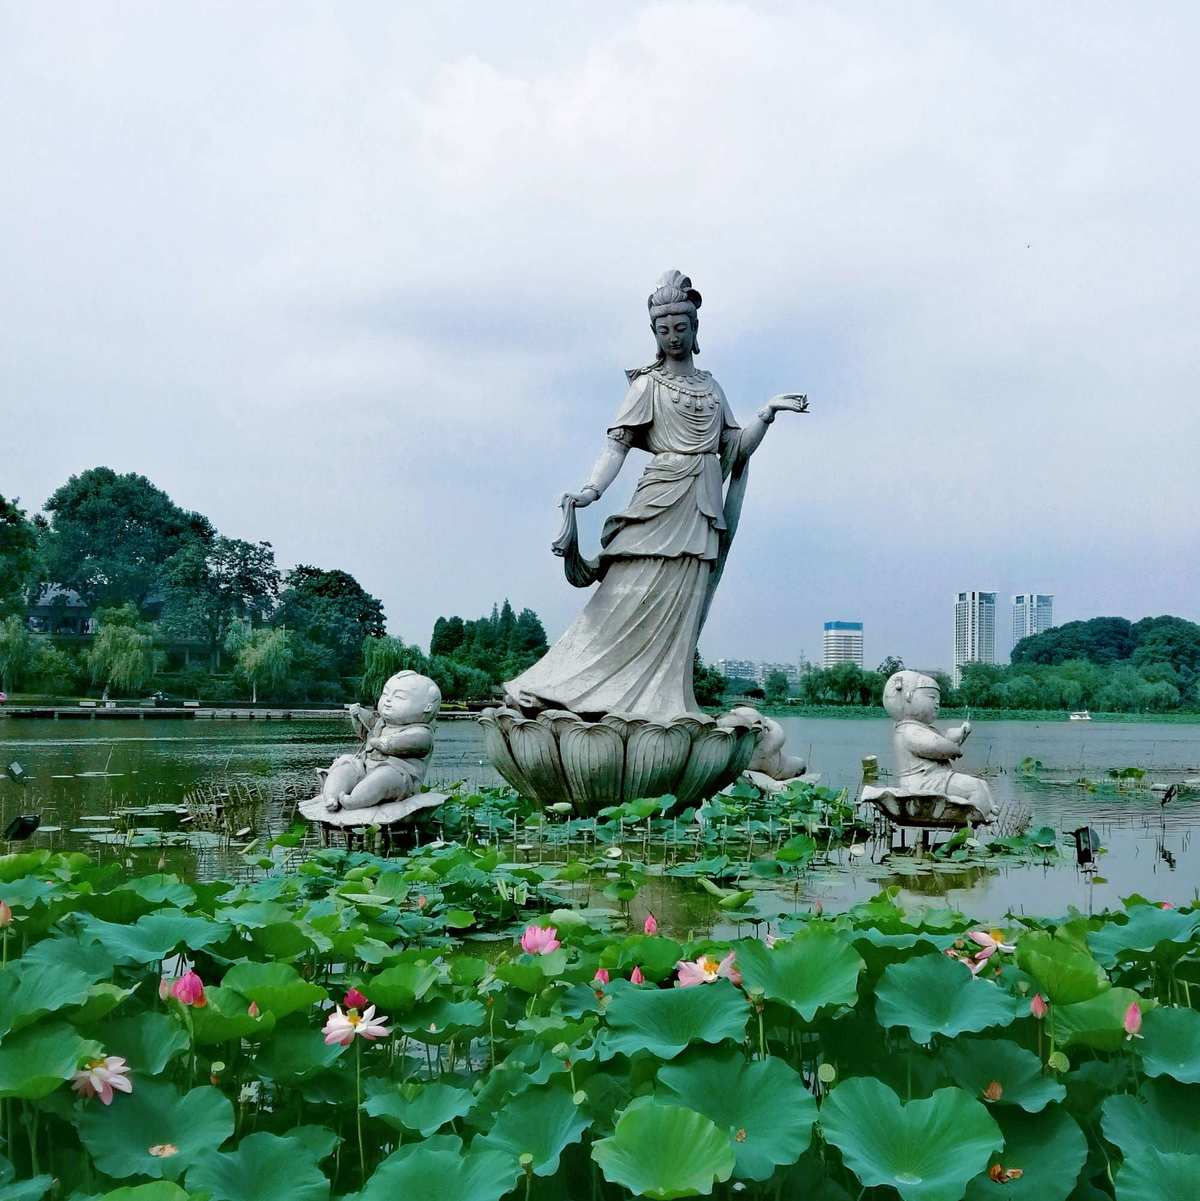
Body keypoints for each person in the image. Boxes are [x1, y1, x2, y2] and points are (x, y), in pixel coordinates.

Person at [504, 270, 807, 720]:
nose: (673, 338)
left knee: (679, 606)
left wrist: (767, 412)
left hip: (701, 507)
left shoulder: (711, 387)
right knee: (624, 594)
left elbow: (734, 448)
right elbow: (616, 444)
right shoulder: (647, 384)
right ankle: (566, 684)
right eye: (663, 331)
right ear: (654, 334)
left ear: (695, 329)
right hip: (660, 498)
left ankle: (658, 702)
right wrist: (591, 490)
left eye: (680, 329)